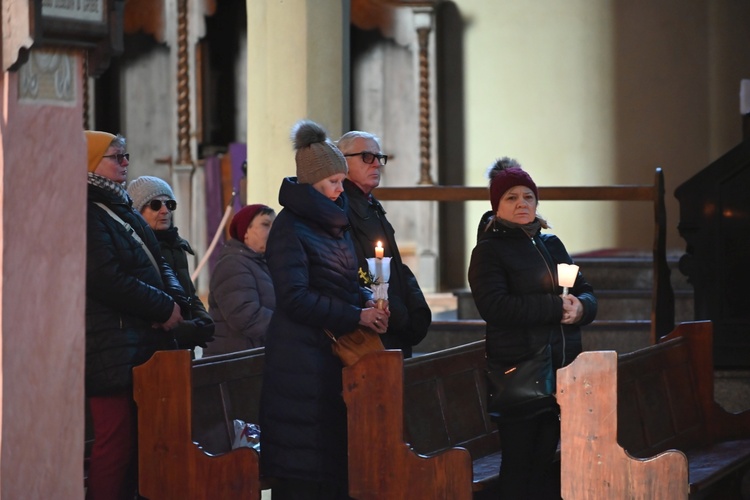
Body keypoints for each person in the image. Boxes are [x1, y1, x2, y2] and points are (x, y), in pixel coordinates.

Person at [259, 120, 389, 499]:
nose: (339, 189)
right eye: (333, 182)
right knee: (304, 474)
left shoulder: (335, 223)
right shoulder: (290, 228)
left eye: (340, 181)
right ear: (312, 182)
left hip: (330, 360)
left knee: (332, 469)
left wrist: (367, 300)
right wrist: (355, 315)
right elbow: (295, 298)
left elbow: (343, 279)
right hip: (300, 362)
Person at [467, 157, 598, 499]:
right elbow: (494, 306)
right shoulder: (489, 251)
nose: (522, 203)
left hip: (560, 369)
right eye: (511, 197)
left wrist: (581, 307)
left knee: (544, 466)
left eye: (528, 196)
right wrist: (556, 307)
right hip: (519, 371)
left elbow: (583, 288)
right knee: (519, 466)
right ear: (497, 206)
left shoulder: (550, 244)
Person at [85, 131, 189, 500]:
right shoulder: (86, 208)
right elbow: (103, 276)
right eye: (117, 156)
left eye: (127, 156)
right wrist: (162, 307)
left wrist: (178, 303)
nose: (126, 162)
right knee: (116, 447)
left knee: (144, 446)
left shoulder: (121, 205)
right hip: (111, 345)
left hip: (141, 340)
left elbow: (158, 260)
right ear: (90, 161)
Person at [336, 131, 431, 357]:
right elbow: (360, 269)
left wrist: (417, 308)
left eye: (379, 157)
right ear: (342, 160)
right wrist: (399, 313)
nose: (377, 164)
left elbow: (395, 264)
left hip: (394, 326)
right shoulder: (342, 210)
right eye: (367, 157)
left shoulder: (371, 206)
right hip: (374, 328)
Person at [127, 175, 215, 354]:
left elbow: (188, 292)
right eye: (155, 205)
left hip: (182, 347)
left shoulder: (177, 246)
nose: (165, 210)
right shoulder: (136, 249)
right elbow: (143, 304)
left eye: (170, 204)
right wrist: (183, 330)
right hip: (155, 350)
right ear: (137, 211)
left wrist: (204, 320)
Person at [203, 203, 277, 355]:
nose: (274, 230)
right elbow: (245, 315)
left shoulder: (263, 263)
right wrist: (289, 327)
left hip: (252, 358)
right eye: (265, 224)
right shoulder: (232, 264)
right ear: (245, 231)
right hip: (233, 364)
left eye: (275, 225)